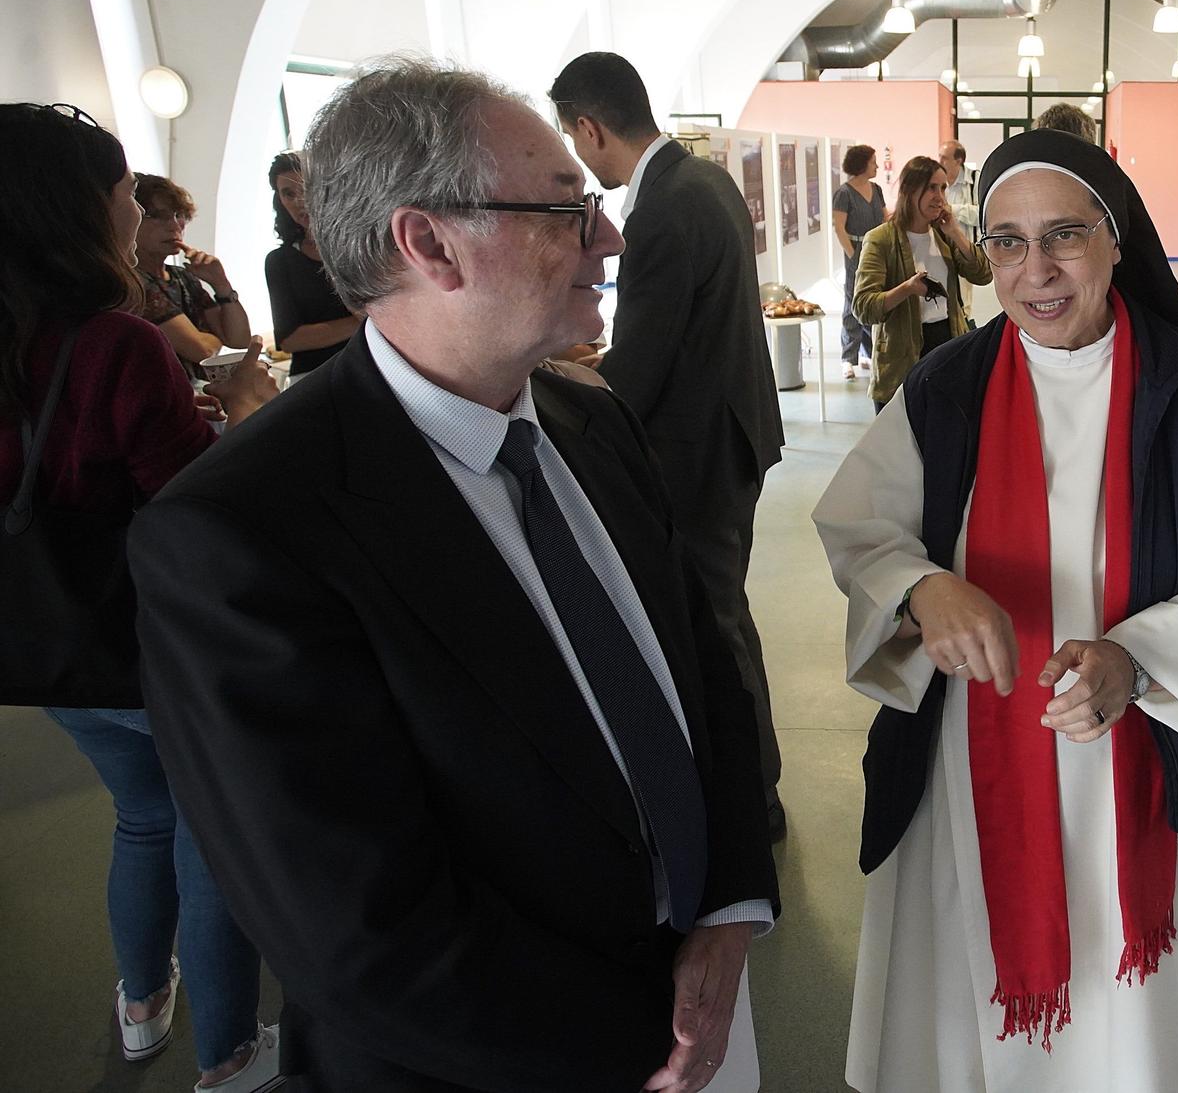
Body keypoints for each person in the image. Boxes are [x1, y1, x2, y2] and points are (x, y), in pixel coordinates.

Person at [128, 59, 780, 1092]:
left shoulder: (591, 423)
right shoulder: (242, 531)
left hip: (699, 1003)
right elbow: (357, 931)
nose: (606, 237)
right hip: (512, 1063)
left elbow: (704, 678)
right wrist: (649, 1039)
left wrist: (733, 904)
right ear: (426, 242)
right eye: (568, 209)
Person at [815, 129, 1178, 1091]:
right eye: (1004, 241)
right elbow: (858, 524)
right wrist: (924, 585)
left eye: (1065, 236)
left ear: (1117, 239)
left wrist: (1140, 657)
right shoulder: (944, 389)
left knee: (1132, 1020)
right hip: (974, 752)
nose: (1034, 270)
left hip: (1146, 753)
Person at [0, 103, 280, 1091]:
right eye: (125, 189)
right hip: (153, 645)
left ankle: (138, 1003)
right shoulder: (118, 343)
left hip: (47, 644)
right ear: (82, 206)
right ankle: (230, 1053)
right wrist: (245, 415)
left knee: (141, 819)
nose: (136, 207)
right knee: (210, 835)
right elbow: (198, 504)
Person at [550, 49, 789, 840]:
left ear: (589, 127)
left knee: (716, 624)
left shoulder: (660, 206)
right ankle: (759, 786)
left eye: (572, 141)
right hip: (732, 431)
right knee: (726, 613)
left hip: (697, 451)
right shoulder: (705, 179)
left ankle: (754, 802)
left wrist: (556, 373)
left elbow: (641, 366)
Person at [851, 155, 991, 413]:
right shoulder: (881, 239)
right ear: (909, 189)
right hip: (900, 355)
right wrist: (907, 289)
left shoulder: (943, 234)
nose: (939, 196)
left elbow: (983, 275)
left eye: (943, 188)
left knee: (945, 438)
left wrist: (956, 234)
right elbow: (863, 308)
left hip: (948, 346)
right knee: (902, 445)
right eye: (931, 188)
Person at [132, 174, 254, 377]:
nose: (174, 225)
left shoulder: (181, 276)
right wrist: (215, 337)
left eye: (178, 215)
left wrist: (221, 284)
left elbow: (239, 339)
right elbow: (202, 351)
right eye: (157, 215)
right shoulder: (134, 281)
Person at [263, 151, 359, 376]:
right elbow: (289, 340)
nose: (299, 201)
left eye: (307, 188)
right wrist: (365, 321)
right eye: (288, 193)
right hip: (312, 375)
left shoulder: (361, 245)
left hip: (372, 367)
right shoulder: (279, 261)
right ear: (280, 201)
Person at [832, 144, 888, 381]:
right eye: (873, 161)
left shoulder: (876, 189)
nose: (876, 165)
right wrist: (853, 254)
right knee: (852, 300)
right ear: (861, 163)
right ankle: (848, 357)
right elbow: (839, 227)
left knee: (873, 297)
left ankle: (867, 351)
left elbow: (885, 217)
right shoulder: (844, 193)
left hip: (877, 249)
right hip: (857, 251)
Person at [939, 138, 975, 236]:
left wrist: (952, 209)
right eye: (939, 156)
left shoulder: (976, 180)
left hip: (969, 246)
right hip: (944, 246)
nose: (939, 162)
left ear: (958, 161)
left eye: (944, 158)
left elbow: (983, 215)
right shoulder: (936, 182)